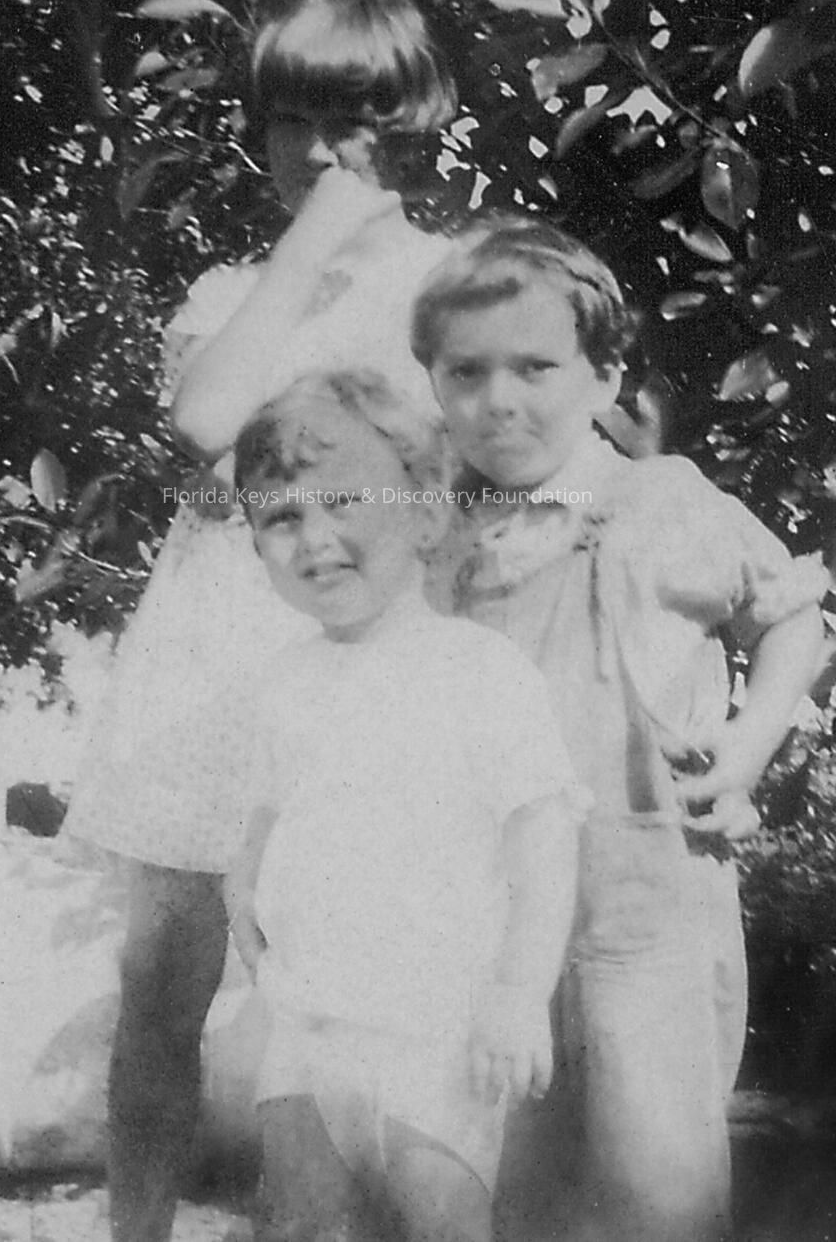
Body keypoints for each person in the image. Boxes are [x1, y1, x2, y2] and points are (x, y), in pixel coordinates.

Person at [60, 0, 461, 1242]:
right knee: (160, 986)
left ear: (410, 127)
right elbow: (208, 421)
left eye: (352, 125)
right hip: (213, 659)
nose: (321, 153)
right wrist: (307, 249)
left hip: (353, 659)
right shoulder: (233, 292)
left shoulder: (448, 286)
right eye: (294, 121)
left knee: (346, 987)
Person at [411, 217, 827, 1242]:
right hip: (487, 926)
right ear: (433, 384)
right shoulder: (437, 535)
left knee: (656, 1189)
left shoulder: (658, 501)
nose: (499, 399)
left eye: (535, 367)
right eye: (466, 372)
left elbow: (790, 616)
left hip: (644, 916)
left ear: (603, 377)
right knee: (509, 1188)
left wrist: (746, 749)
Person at [222, 369, 589, 1242]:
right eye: (282, 518)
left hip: (437, 1033)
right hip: (309, 1031)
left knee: (443, 1222)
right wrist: (246, 904)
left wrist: (517, 994)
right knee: (304, 1227)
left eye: (344, 503)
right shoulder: (283, 683)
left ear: (424, 514)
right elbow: (264, 829)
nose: (315, 539)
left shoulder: (479, 670)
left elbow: (543, 840)